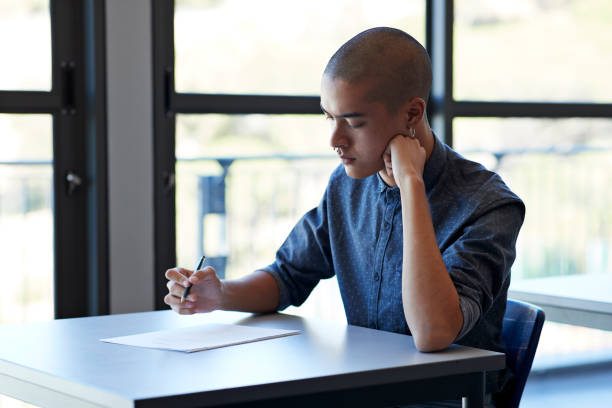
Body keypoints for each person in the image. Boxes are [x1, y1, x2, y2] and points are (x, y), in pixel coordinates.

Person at [164, 27, 524, 407]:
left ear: (412, 114)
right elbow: (287, 276)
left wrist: (411, 186)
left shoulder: (488, 205)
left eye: (353, 122)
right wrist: (220, 294)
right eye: (329, 117)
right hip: (365, 393)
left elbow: (432, 332)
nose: (335, 139)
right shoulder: (347, 185)